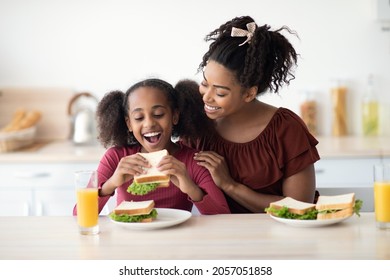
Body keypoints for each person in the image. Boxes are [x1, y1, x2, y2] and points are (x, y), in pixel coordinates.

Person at [180, 16, 320, 213]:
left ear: (249, 93)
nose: (207, 97)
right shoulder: (195, 123)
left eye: (220, 92)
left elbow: (300, 207)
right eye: (204, 83)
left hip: (276, 240)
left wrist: (230, 185)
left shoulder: (285, 129)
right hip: (210, 238)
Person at [73, 78, 230, 215]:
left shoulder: (192, 160)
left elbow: (222, 215)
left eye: (158, 114)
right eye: (139, 117)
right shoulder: (116, 157)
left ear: (174, 116)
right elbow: (79, 213)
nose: (149, 123)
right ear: (129, 123)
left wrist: (189, 185)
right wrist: (111, 184)